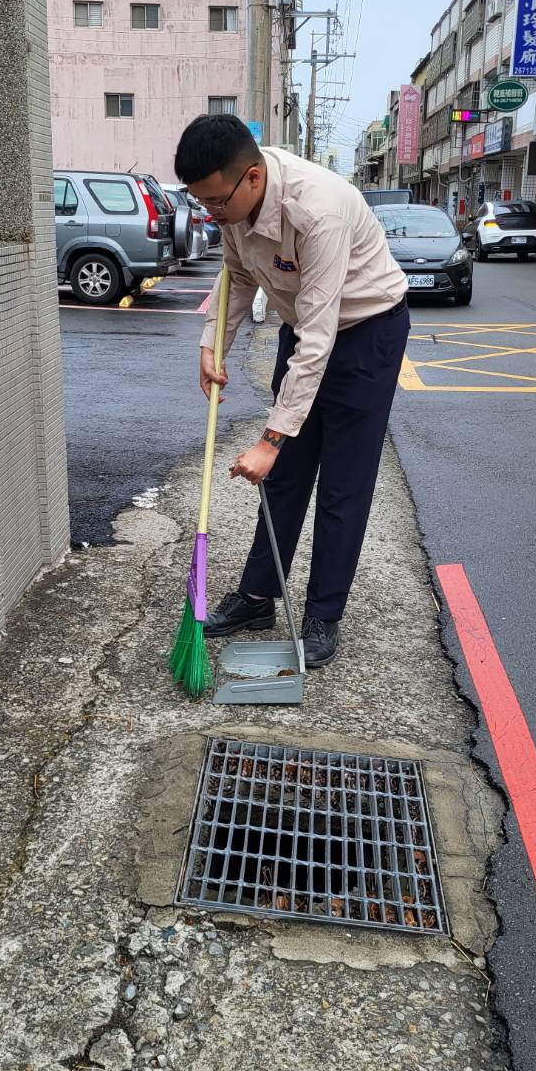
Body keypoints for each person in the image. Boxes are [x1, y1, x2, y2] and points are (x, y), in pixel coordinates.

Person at [173, 114, 410, 669]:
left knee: (342, 485)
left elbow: (319, 336)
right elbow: (235, 279)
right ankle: (257, 597)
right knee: (282, 479)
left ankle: (323, 613)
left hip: (366, 330)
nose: (211, 214)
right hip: (304, 327)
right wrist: (213, 347)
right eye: (201, 203)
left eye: (215, 202)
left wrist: (271, 438)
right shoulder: (233, 207)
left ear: (252, 178)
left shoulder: (317, 209)